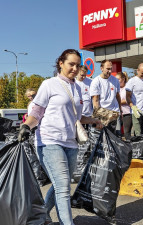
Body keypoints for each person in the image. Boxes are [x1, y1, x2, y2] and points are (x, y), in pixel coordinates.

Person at [17, 49, 103, 225]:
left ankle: (41, 217)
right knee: (63, 187)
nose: (74, 68)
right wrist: (26, 126)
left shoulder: (78, 88)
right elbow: (36, 112)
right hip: (50, 142)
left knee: (59, 185)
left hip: (71, 144)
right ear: (61, 63)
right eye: (71, 64)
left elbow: (77, 117)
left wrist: (94, 120)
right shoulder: (49, 84)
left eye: (78, 65)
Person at [90, 60, 122, 130]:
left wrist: (120, 110)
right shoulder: (96, 81)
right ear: (101, 68)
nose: (110, 71)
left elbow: (117, 96)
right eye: (108, 69)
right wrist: (98, 118)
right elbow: (95, 100)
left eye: (111, 69)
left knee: (114, 136)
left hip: (114, 112)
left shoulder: (115, 80)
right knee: (102, 137)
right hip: (102, 112)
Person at [126, 63, 143, 136]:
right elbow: (127, 96)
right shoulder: (132, 81)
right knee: (138, 133)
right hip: (136, 112)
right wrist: (132, 107)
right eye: (142, 73)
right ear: (138, 71)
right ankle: (138, 147)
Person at [116, 71, 132, 140]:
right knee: (117, 132)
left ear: (123, 79)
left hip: (127, 112)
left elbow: (127, 100)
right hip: (118, 113)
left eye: (118, 79)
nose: (117, 81)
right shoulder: (117, 88)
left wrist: (117, 102)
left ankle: (130, 147)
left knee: (126, 133)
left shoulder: (127, 88)